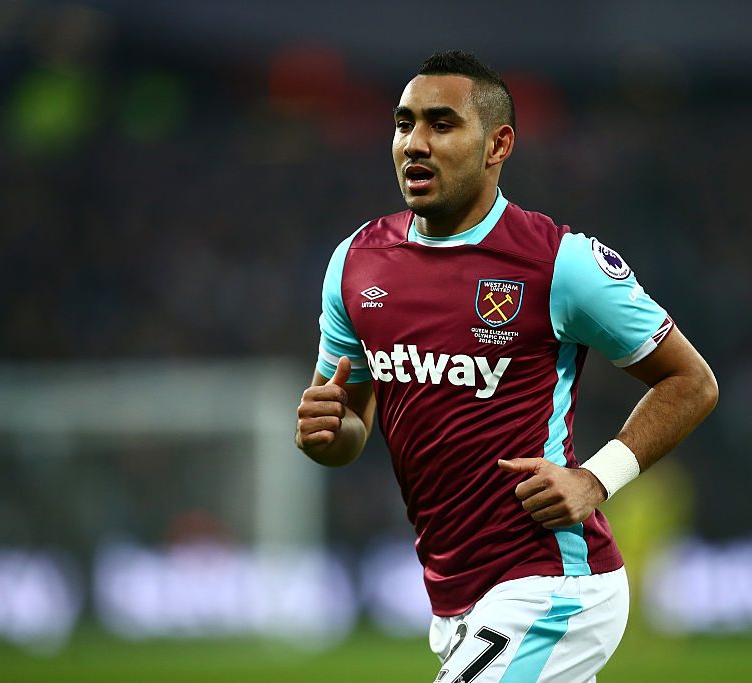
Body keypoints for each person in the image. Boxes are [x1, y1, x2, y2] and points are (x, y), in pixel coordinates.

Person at [297, 50, 718, 682]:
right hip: (454, 595)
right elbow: (349, 427)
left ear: (499, 144)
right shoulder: (356, 263)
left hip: (551, 586)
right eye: (404, 123)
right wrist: (327, 433)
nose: (415, 143)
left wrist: (597, 478)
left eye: (442, 124)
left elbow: (692, 381)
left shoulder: (558, 263)